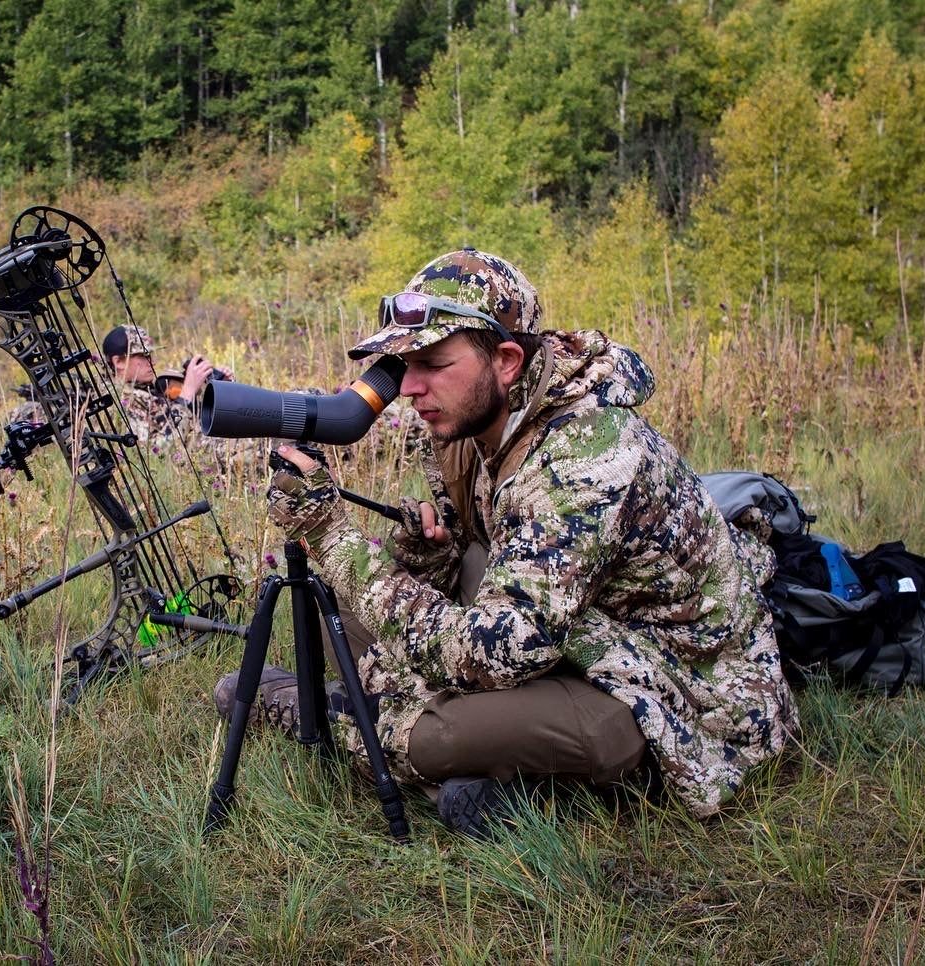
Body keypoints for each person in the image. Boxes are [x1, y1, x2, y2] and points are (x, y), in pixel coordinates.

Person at [214, 249, 798, 835]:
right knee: (327, 604)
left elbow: (504, 648)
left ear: (508, 361)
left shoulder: (589, 455)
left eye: (433, 364)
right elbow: (478, 557)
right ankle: (479, 767)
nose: (410, 389)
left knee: (444, 733)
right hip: (573, 632)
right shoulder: (468, 421)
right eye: (402, 365)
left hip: (668, 689)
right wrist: (429, 552)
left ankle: (335, 714)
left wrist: (333, 537)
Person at [100, 324, 230, 445]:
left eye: (150, 355)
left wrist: (218, 389)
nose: (153, 362)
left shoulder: (153, 386)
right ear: (119, 362)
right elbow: (161, 451)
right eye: (144, 356)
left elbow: (199, 412)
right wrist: (187, 393)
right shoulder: (120, 402)